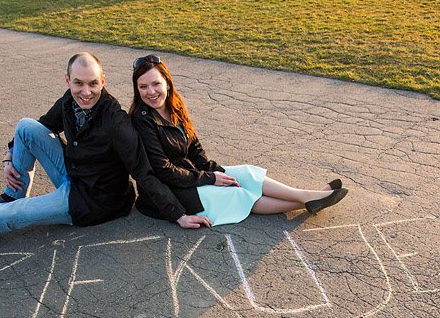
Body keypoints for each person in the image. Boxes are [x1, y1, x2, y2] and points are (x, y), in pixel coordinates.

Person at [0, 52, 190, 248]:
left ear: (103, 81)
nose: (86, 92)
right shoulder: (71, 101)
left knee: (1, 218)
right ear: (68, 80)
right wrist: (10, 155)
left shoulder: (117, 122)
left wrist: (178, 214)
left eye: (93, 84)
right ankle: (12, 193)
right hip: (73, 173)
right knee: (25, 126)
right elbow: (42, 126)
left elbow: (144, 172)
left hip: (91, 200)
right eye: (79, 83)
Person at [128, 55, 348, 228]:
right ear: (137, 89)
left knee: (247, 174)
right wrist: (210, 178)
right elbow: (162, 170)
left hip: (191, 174)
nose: (151, 92)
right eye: (143, 87)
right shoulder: (142, 119)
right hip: (172, 190)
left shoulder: (175, 106)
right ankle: (312, 197)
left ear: (167, 83)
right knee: (238, 194)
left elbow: (195, 149)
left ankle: (310, 197)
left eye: (156, 84)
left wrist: (218, 172)